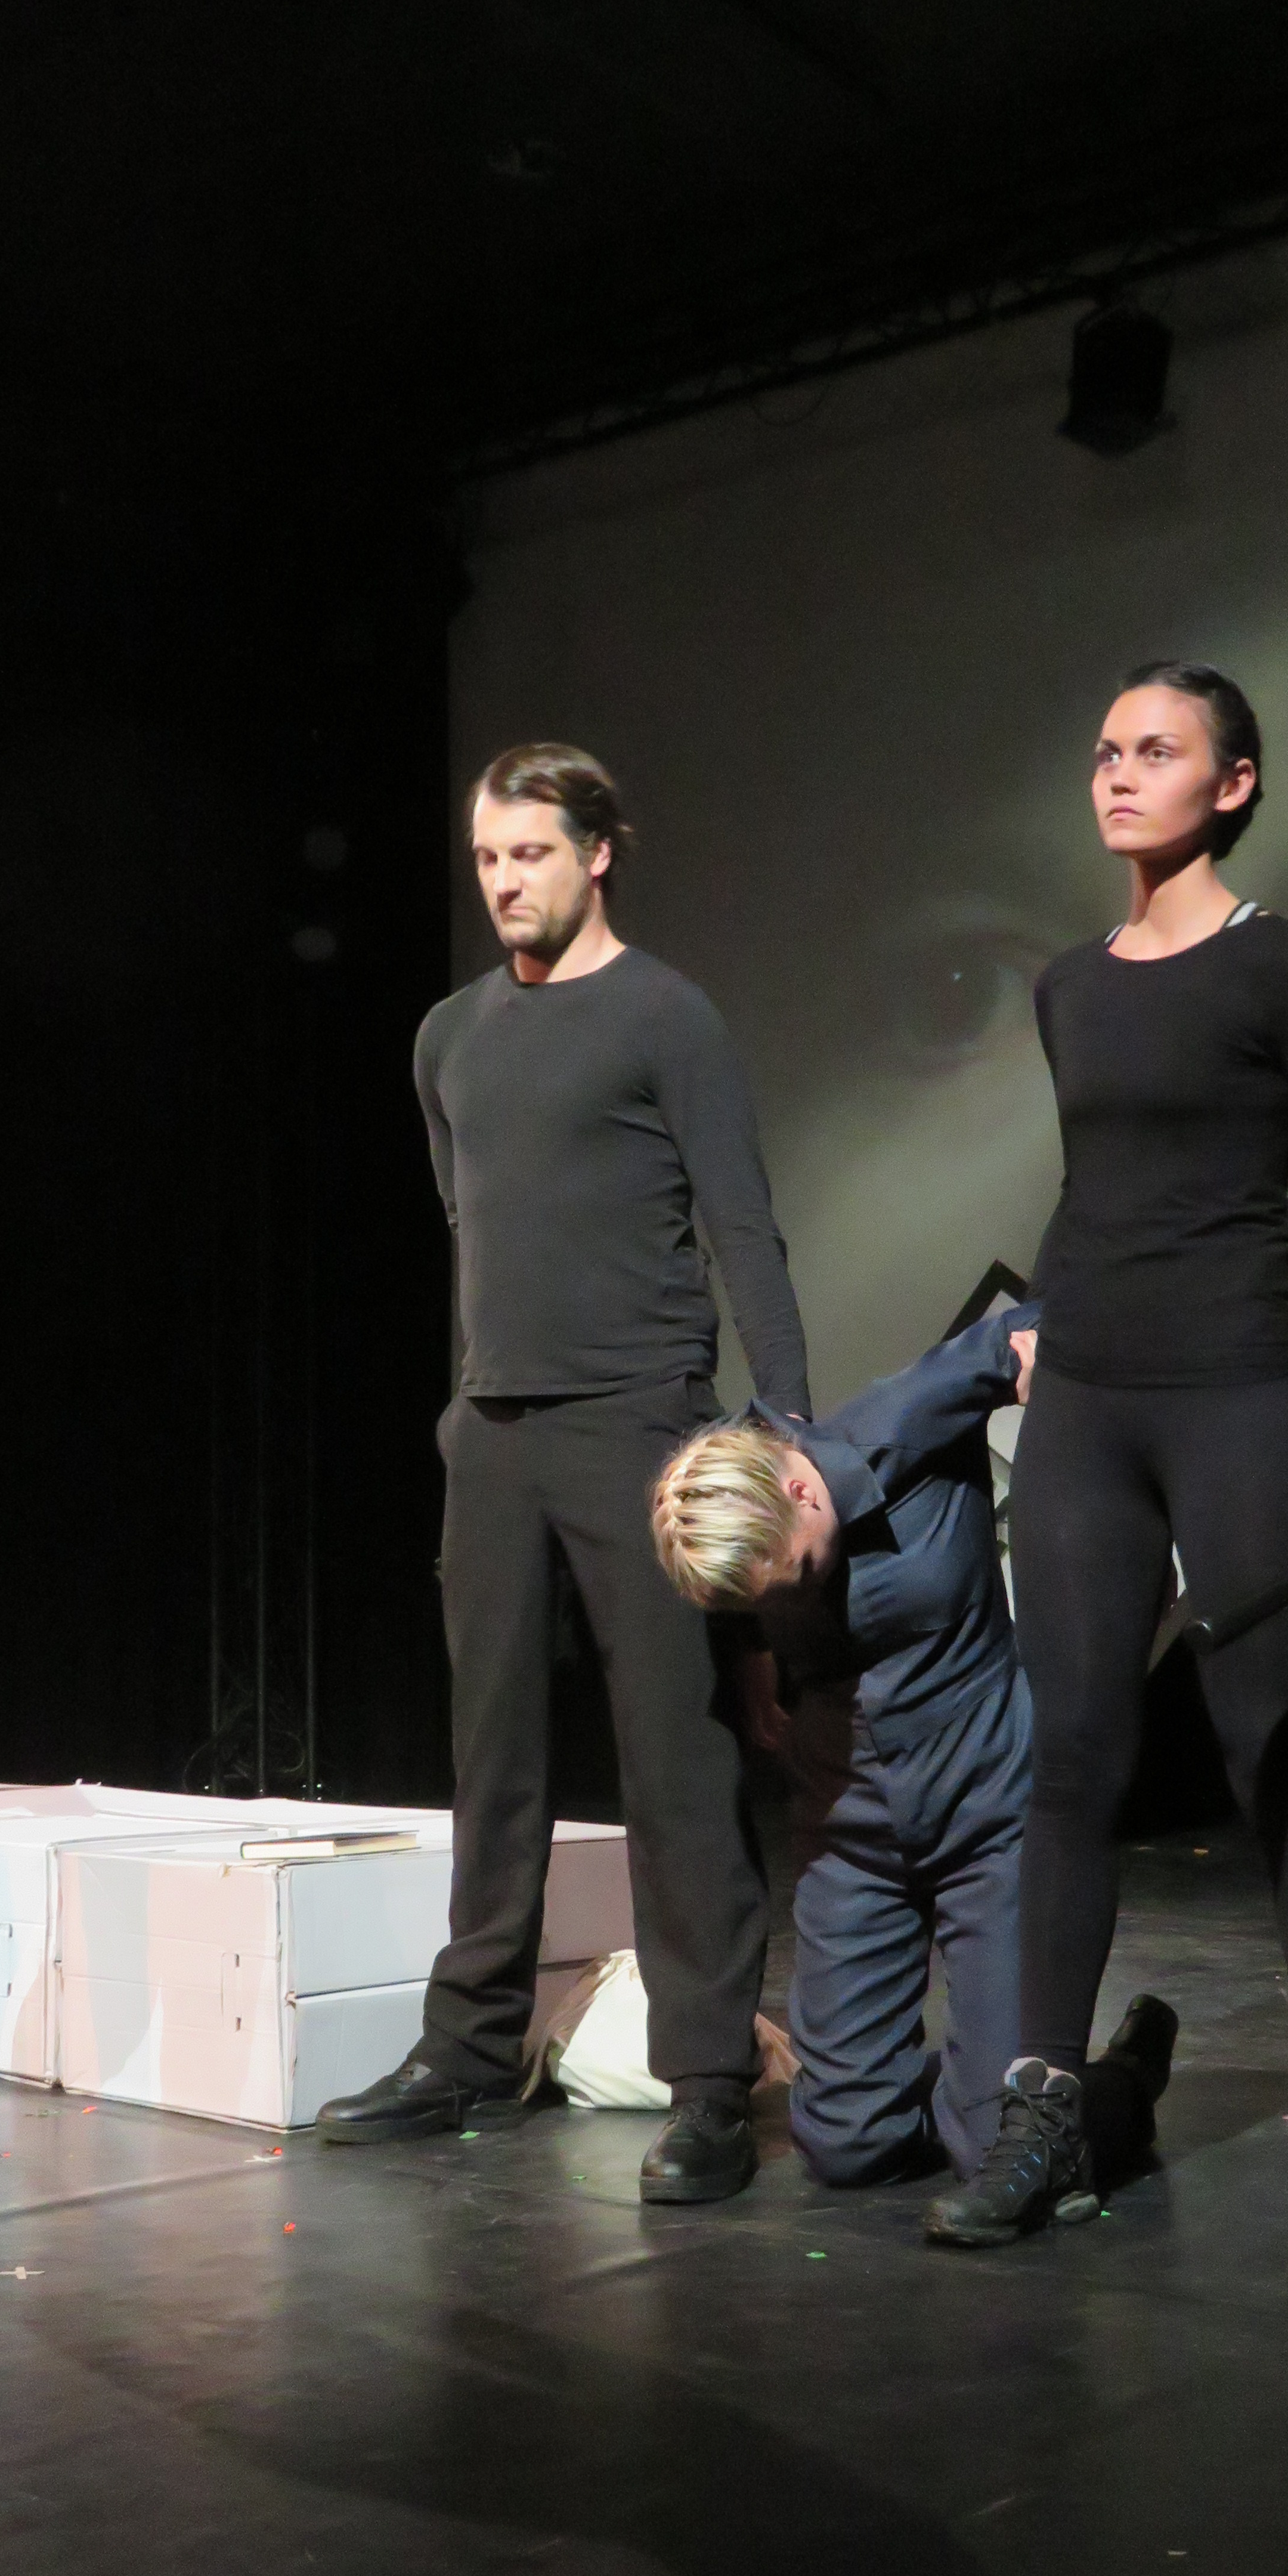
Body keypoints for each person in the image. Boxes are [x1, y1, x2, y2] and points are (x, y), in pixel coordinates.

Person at [930, 664, 1288, 2283]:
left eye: (1156, 751)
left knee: (1279, 1763)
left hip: (1238, 1399)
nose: (1118, 774)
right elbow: (1099, 1187)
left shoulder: (1287, 969)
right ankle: (1044, 2116)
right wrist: (1031, 1325)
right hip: (1088, 1414)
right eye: (1106, 751)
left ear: (1232, 784)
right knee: (1070, 1763)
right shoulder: (1068, 988)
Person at [317, 744, 809, 2203]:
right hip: (496, 1433)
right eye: (486, 857)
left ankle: (708, 2080)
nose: (503, 881)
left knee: (679, 1762)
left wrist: (784, 1434)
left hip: (640, 1424)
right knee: (493, 1760)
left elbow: (743, 1227)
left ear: (598, 852)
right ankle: (470, 2048)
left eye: (528, 852)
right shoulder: (448, 1036)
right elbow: (468, 1218)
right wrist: (471, 1411)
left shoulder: (667, 1016)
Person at [651, 1306, 1178, 2203]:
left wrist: (1113, 1475)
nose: (789, 1602)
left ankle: (1117, 2079)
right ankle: (972, 2092)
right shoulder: (731, 1514)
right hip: (851, 1832)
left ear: (801, 1492)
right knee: (846, 2147)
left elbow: (1043, 1321)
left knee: (1000, 2152)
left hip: (990, 1815)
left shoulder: (903, 1421)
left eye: (797, 1576)